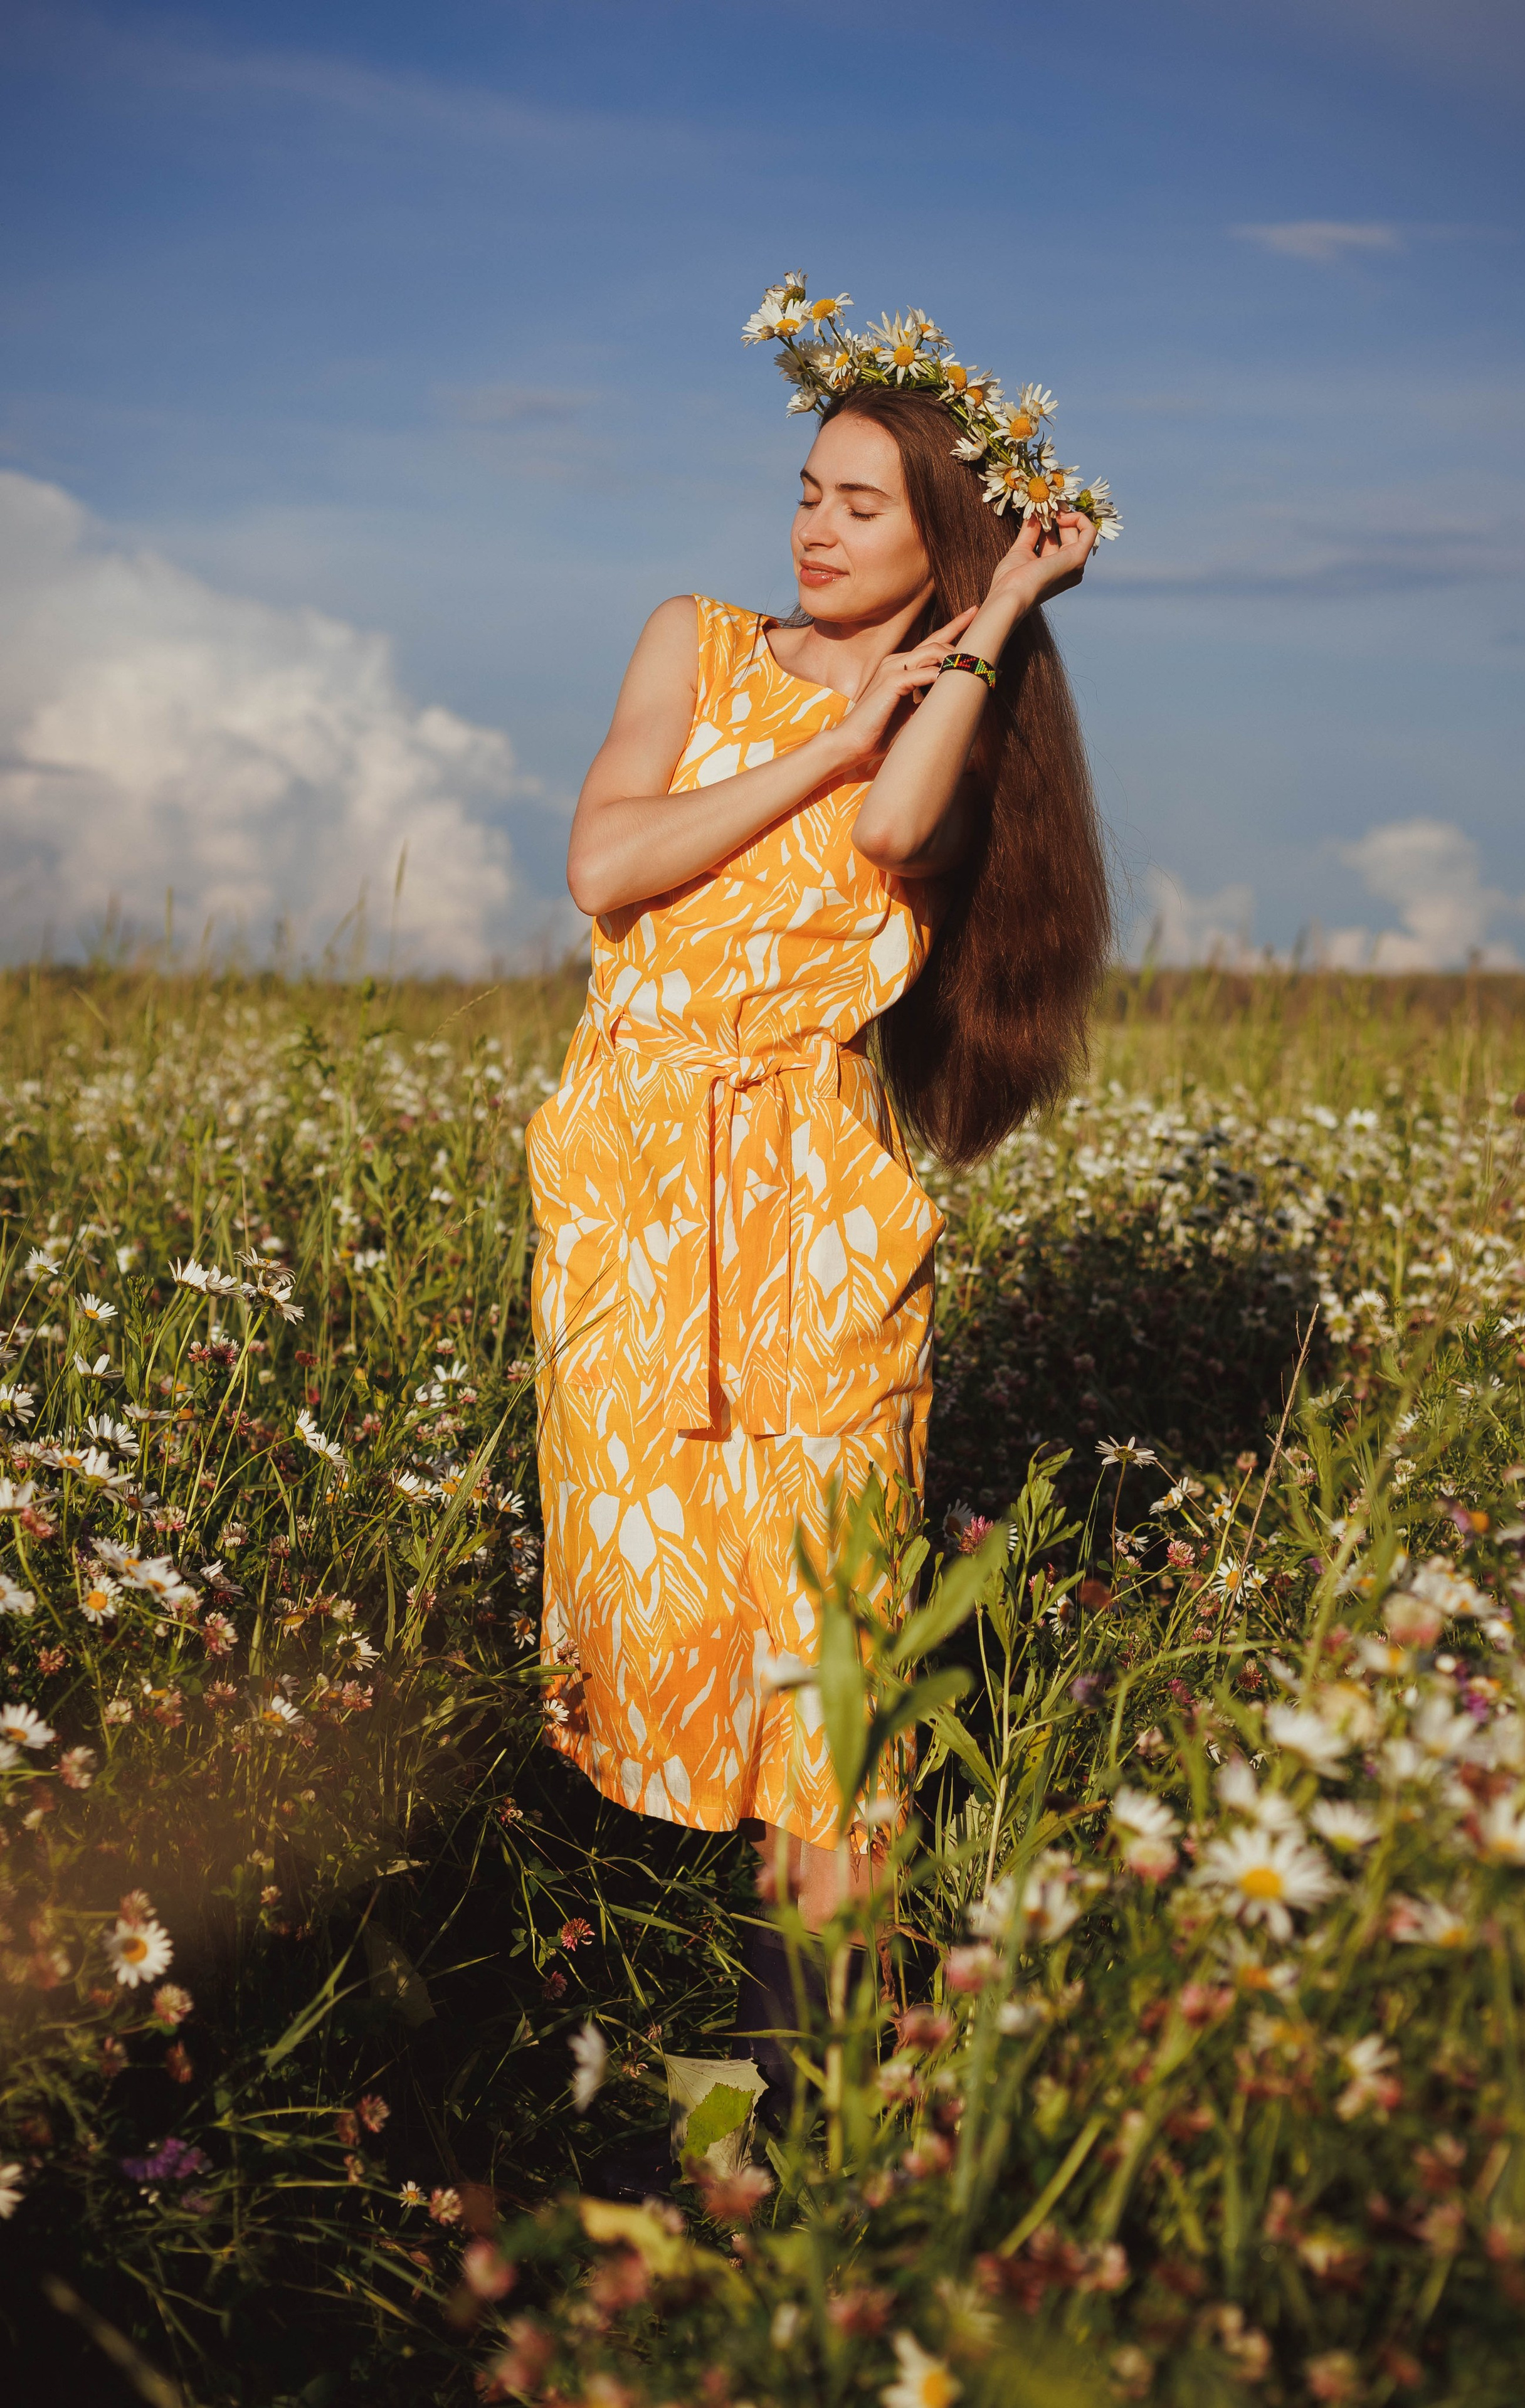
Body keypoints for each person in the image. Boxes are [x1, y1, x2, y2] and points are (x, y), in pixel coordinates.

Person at [525, 277, 1114, 2152]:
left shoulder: (961, 703)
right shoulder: (692, 641)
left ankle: (793, 2118)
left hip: (815, 1202)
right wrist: (816, 736)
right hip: (632, 1193)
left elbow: (888, 843)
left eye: (864, 503)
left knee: (827, 1655)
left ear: (939, 530)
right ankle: (650, 2057)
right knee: (660, 1619)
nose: (814, 525)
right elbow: (609, 865)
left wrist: (990, 625)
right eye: (808, 491)